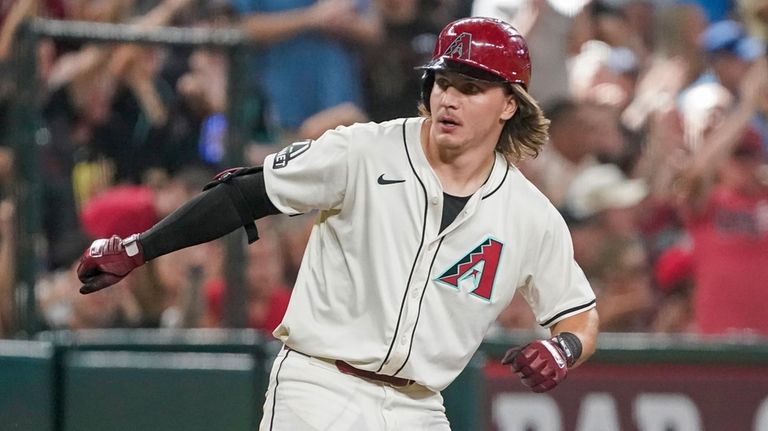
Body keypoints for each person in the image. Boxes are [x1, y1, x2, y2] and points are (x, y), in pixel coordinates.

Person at [76, 17, 599, 430]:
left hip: (420, 407)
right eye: (442, 82)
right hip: (321, 387)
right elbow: (245, 193)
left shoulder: (530, 215)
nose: (449, 98)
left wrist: (563, 347)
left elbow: (578, 314)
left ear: (510, 104)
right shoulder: (364, 151)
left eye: (471, 88)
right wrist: (142, 247)